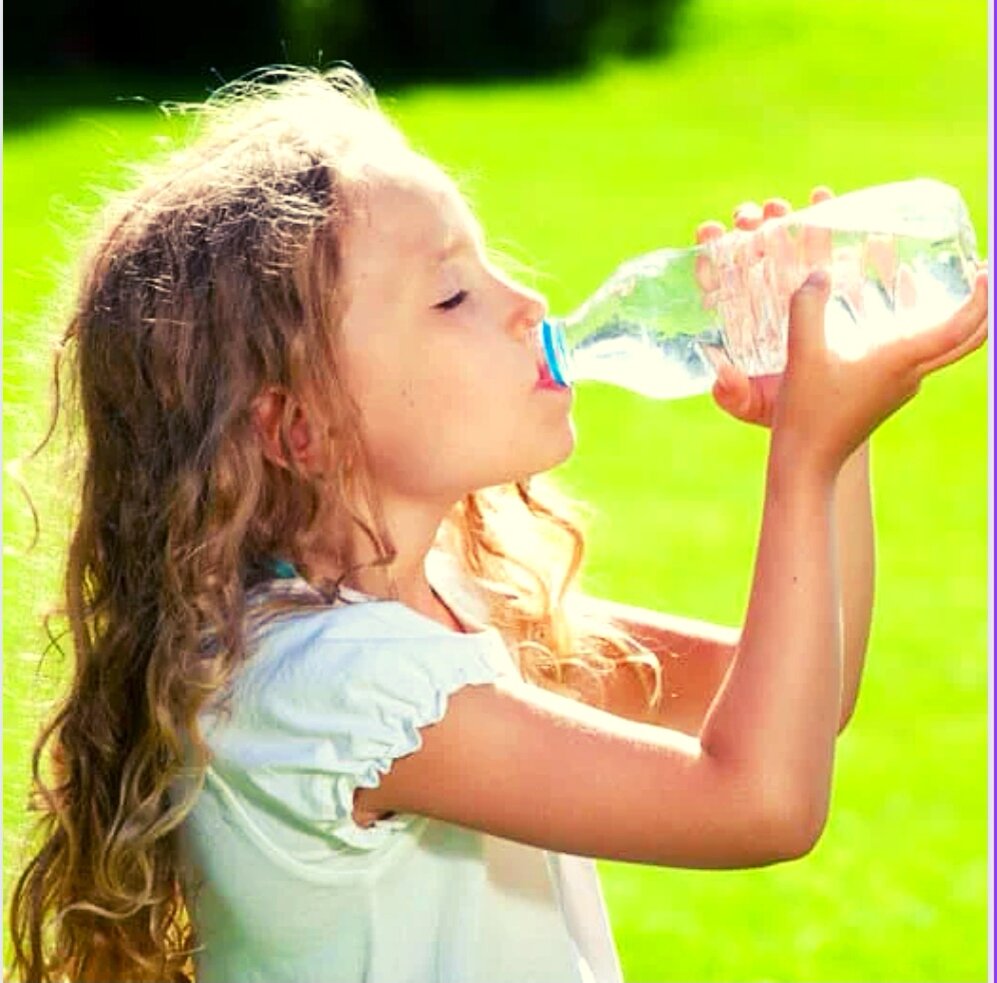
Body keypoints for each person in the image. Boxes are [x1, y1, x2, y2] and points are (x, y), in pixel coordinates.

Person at [7, 66, 989, 983]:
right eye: (453, 294)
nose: (529, 303)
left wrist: (831, 433)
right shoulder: (332, 682)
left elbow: (806, 698)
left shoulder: (448, 604)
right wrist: (802, 463)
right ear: (299, 426)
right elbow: (759, 801)